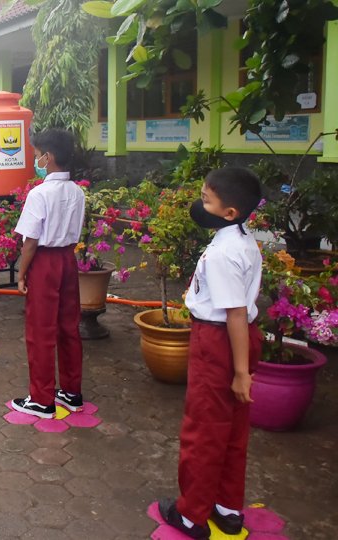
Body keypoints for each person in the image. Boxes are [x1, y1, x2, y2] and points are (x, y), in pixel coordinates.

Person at [158, 167, 264, 539]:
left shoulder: (223, 254)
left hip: (219, 342)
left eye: (207, 199)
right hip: (241, 338)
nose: (200, 204)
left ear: (229, 212)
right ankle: (227, 506)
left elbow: (233, 313)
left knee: (204, 429)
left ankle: (191, 514)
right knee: (234, 429)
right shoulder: (244, 239)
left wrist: (239, 372)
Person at [9, 129, 85, 418]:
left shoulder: (39, 193)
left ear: (48, 157)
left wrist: (22, 273)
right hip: (67, 259)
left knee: (41, 330)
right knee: (68, 326)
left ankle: (41, 398)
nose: (35, 160)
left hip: (44, 262)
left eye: (37, 155)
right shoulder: (77, 191)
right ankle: (71, 391)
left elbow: (30, 241)